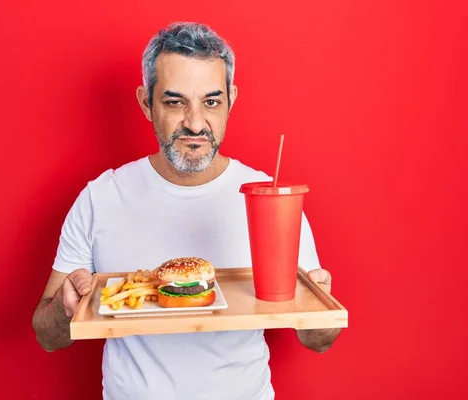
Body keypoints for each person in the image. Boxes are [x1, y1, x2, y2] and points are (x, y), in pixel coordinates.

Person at [32, 21, 341, 400]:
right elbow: (47, 337)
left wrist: (318, 307)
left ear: (231, 100)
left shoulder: (270, 197)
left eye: (211, 102)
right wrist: (66, 309)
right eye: (175, 102)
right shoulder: (101, 198)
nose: (195, 123)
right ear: (146, 103)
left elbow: (320, 340)